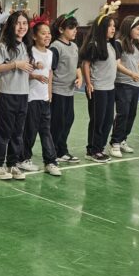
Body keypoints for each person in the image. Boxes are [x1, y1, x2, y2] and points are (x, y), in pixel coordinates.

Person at [0, 10, 35, 176]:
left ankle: (12, 163)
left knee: (17, 132)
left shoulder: (26, 45)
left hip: (23, 94)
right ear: (11, 26)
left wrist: (35, 67)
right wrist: (15, 64)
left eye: (24, 23)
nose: (22, 27)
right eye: (18, 23)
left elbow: (26, 67)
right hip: (7, 94)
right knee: (4, 132)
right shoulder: (4, 45)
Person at [21, 20, 60, 175]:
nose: (47, 36)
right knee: (30, 131)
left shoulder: (50, 54)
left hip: (44, 98)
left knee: (45, 130)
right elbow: (23, 74)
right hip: (31, 98)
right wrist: (35, 76)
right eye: (43, 33)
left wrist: (49, 93)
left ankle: (50, 161)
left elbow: (49, 74)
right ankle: (24, 158)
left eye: (48, 33)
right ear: (34, 36)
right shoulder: (29, 52)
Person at [80, 5, 119, 163]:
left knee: (108, 120)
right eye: (110, 26)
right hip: (98, 88)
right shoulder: (94, 45)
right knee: (97, 120)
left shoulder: (111, 45)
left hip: (110, 88)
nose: (113, 29)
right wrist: (89, 83)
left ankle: (100, 148)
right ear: (102, 28)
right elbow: (86, 64)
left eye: (114, 26)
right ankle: (92, 150)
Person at [109, 14, 139, 159]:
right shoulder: (118, 43)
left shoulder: (138, 45)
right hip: (122, 83)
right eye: (138, 29)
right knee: (123, 113)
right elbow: (117, 64)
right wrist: (131, 73)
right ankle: (115, 143)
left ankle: (123, 139)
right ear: (129, 28)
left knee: (131, 114)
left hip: (135, 84)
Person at [49, 13, 82, 164]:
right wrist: (49, 92)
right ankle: (53, 151)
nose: (75, 31)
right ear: (61, 29)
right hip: (58, 91)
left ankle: (62, 150)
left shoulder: (74, 46)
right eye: (71, 28)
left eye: (76, 27)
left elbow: (77, 66)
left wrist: (79, 77)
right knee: (57, 122)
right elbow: (50, 70)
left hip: (69, 92)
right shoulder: (55, 47)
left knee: (68, 120)